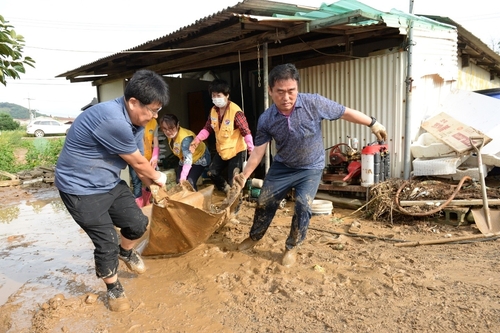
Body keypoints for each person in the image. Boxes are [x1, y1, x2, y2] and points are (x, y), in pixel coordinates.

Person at [234, 63, 387, 267]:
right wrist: (244, 175)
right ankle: (254, 237)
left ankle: (292, 247)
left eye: (291, 91)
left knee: (303, 205)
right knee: (264, 201)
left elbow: (344, 112)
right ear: (270, 91)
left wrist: (373, 123)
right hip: (283, 166)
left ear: (297, 88)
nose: (286, 97)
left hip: (310, 167)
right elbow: (258, 151)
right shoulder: (266, 119)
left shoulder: (313, 103)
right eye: (280, 92)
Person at [54, 69, 170, 312]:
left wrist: (153, 189)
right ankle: (113, 288)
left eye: (157, 110)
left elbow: (137, 163)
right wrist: (160, 178)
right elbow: (140, 165)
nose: (154, 116)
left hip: (108, 182)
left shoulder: (136, 124)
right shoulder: (112, 120)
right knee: (106, 241)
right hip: (80, 188)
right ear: (133, 102)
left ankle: (125, 253)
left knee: (137, 224)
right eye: (152, 110)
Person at [189, 79, 254, 193]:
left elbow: (246, 131)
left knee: (233, 179)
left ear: (227, 95)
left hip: (236, 151)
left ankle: (235, 204)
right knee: (212, 173)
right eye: (213, 95)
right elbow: (207, 128)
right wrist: (197, 140)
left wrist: (251, 149)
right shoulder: (213, 111)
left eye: (218, 95)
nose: (215, 98)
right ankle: (227, 191)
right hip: (222, 150)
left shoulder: (236, 111)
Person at [160, 114, 211, 190]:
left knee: (189, 182)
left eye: (171, 128)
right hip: (184, 158)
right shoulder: (171, 136)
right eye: (165, 129)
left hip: (199, 158)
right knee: (178, 181)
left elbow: (188, 159)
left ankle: (194, 200)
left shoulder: (185, 139)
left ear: (177, 125)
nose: (168, 132)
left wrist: (183, 177)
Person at [129, 117, 160, 207]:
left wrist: (154, 157)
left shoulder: (153, 122)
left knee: (152, 183)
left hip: (150, 159)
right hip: (136, 159)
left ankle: (152, 205)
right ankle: (139, 207)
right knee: (136, 183)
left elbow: (156, 143)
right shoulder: (135, 120)